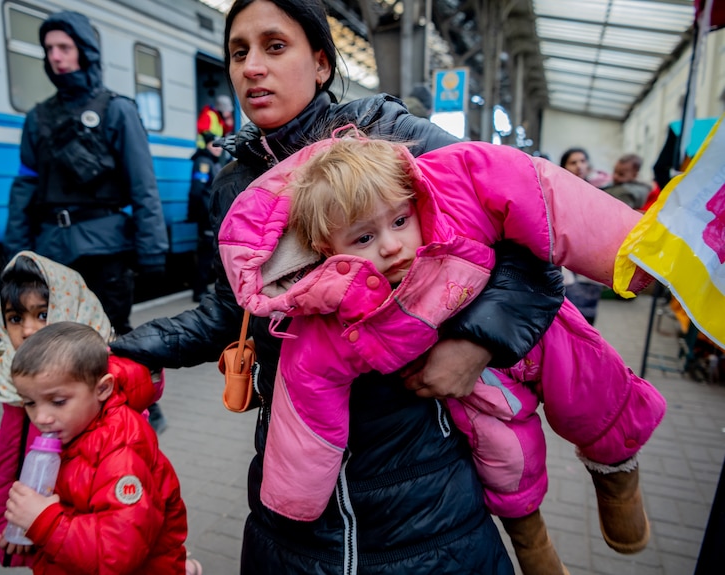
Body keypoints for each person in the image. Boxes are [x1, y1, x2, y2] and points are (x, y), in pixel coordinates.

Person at [111, 1, 568, 572]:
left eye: (275, 46)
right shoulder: (234, 185)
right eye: (239, 52)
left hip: (420, 474)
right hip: (298, 467)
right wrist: (122, 347)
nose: (253, 66)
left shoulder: (393, 137)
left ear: (322, 63)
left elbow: (535, 243)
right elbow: (231, 309)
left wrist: (477, 346)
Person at [219, 131, 665, 574]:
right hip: (472, 389)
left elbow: (537, 192)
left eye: (398, 221)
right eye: (362, 239)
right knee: (504, 453)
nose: (391, 246)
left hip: (531, 335)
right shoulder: (334, 316)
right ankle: (532, 541)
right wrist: (297, 496)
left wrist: (631, 254)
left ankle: (617, 468)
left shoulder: (452, 198)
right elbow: (307, 391)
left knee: (588, 375)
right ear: (324, 250)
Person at [0, 251, 167, 568]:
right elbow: (6, 465)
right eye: (15, 318)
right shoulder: (15, 378)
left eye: (42, 315)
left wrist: (41, 523)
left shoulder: (108, 410)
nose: (27, 331)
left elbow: (119, 541)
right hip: (52, 541)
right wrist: (9, 528)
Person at [2, 10, 168, 337]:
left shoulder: (117, 109)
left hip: (105, 252)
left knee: (106, 341)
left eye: (64, 47)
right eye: (49, 49)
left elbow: (143, 185)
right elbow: (24, 188)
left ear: (85, 50)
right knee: (59, 342)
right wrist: (14, 253)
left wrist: (152, 248)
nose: (55, 56)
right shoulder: (38, 118)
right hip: (51, 251)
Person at [5, 321, 193, 574]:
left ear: (102, 388)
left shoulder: (122, 453)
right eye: (30, 403)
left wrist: (45, 523)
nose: (41, 417)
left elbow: (118, 553)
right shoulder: (72, 430)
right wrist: (30, 526)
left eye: (58, 402)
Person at [560, 147, 608, 324]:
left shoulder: (598, 195)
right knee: (564, 318)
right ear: (563, 167)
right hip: (563, 261)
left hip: (589, 262)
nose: (579, 166)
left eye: (582, 161)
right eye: (573, 162)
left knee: (585, 321)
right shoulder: (556, 192)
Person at [187, 133, 225, 301]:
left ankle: (202, 289)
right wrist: (203, 215)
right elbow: (197, 191)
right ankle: (199, 291)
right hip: (207, 217)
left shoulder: (212, 162)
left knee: (209, 253)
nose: (218, 149)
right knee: (205, 254)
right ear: (206, 146)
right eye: (213, 145)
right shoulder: (203, 162)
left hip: (212, 216)